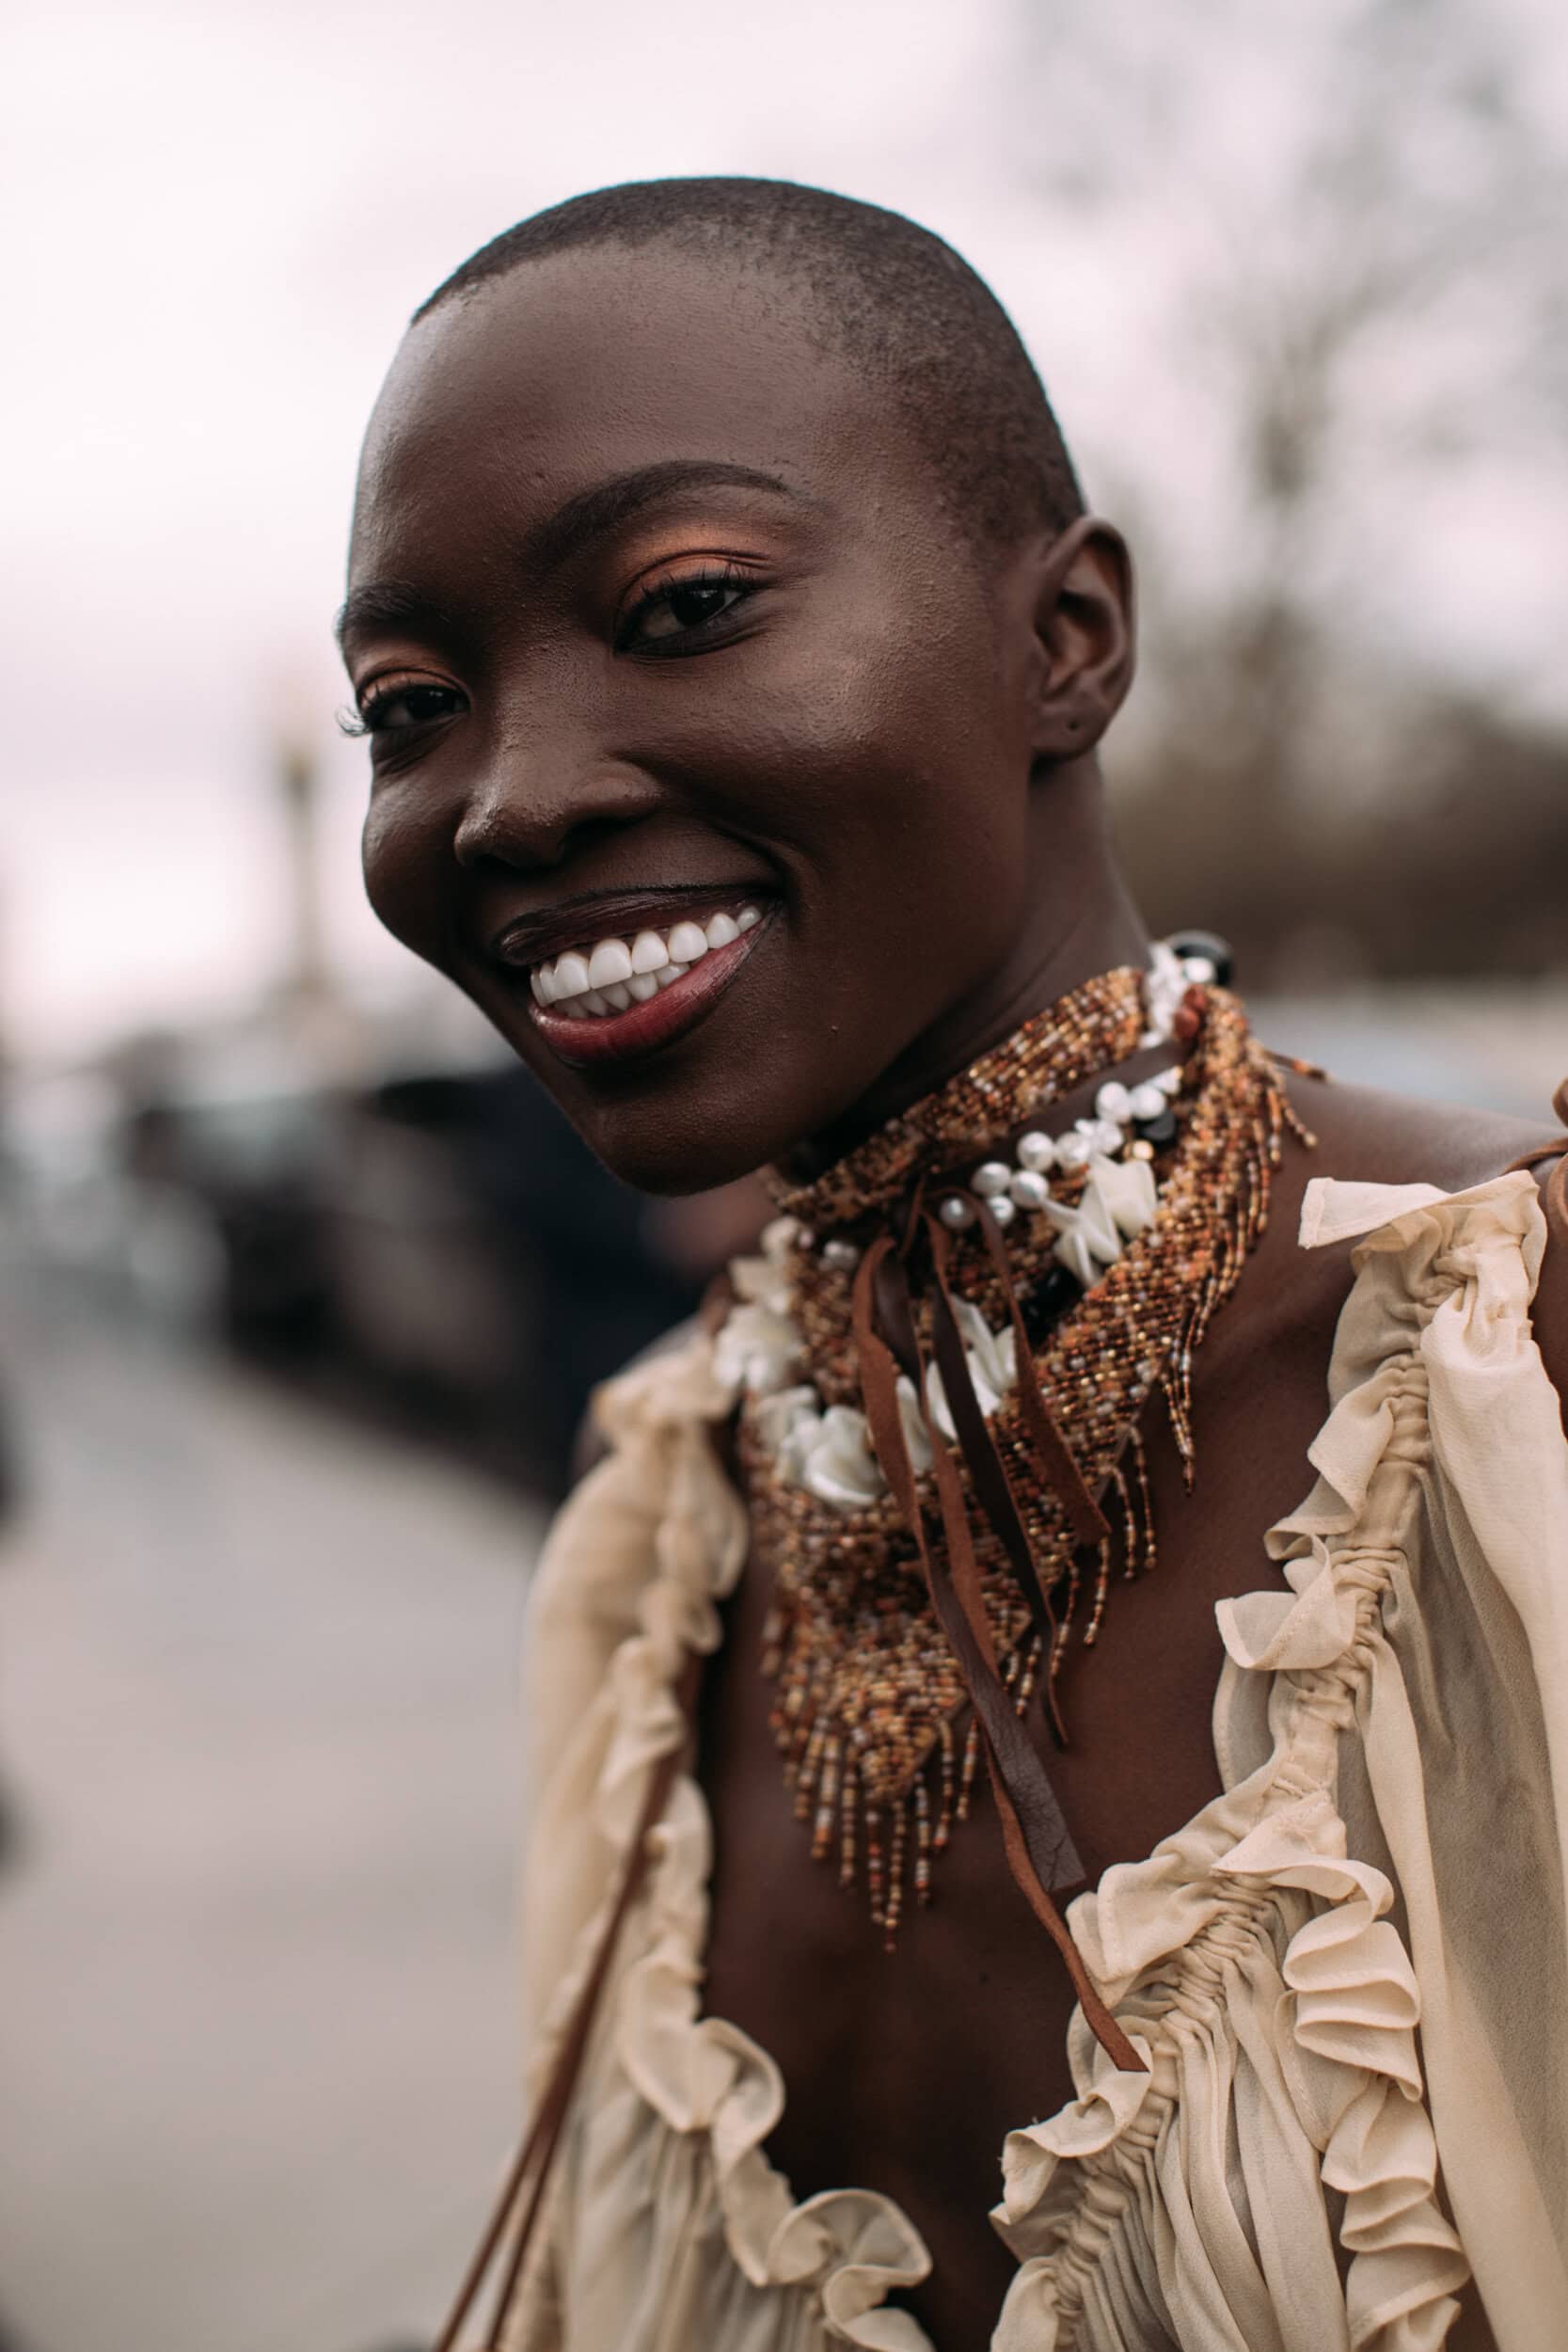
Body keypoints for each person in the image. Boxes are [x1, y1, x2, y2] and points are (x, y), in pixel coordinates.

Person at [339, 179, 1568, 2352]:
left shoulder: (1511, 1349)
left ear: (1066, 639)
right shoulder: (666, 1521)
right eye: (411, 702)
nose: (508, 796)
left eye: (688, 600)